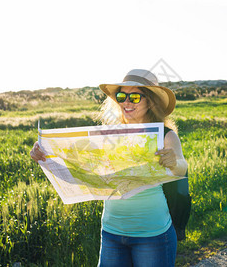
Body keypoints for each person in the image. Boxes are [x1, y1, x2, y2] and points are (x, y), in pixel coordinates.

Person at [30, 69, 188, 266]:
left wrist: (174, 161)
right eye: (121, 96)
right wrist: (45, 156)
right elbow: (83, 171)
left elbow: (182, 168)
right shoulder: (107, 135)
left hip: (152, 235)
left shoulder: (165, 135)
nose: (126, 103)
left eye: (135, 97)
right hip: (112, 233)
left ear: (151, 101)